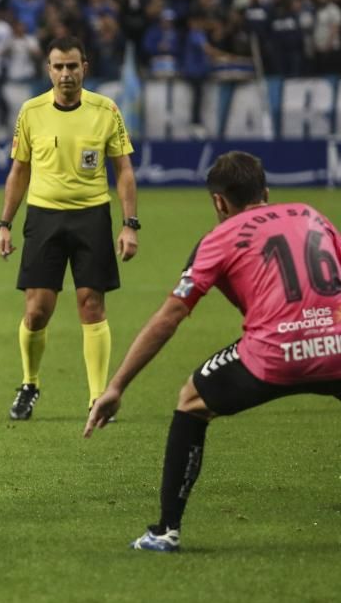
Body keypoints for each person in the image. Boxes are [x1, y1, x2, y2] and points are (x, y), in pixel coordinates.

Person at [86, 151, 341, 552]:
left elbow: (170, 317)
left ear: (219, 202)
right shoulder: (314, 216)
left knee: (192, 398)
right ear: (267, 192)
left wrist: (117, 386)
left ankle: (165, 530)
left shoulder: (217, 238)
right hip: (337, 346)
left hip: (273, 354)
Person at [0, 35, 139, 421]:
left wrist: (129, 224)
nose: (65, 74)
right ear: (49, 70)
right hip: (44, 217)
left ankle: (98, 397)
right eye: (58, 67)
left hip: (92, 216)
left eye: (72, 66)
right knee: (37, 311)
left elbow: (124, 170)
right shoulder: (31, 111)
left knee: (92, 304)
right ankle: (30, 384)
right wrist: (5, 223)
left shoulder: (106, 110)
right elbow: (19, 169)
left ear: (84, 68)